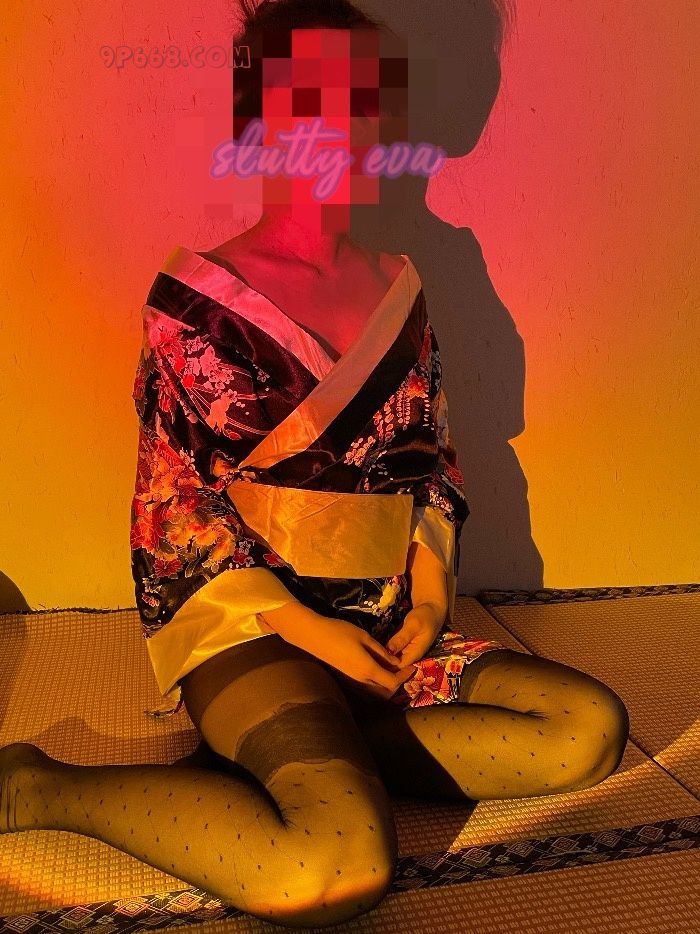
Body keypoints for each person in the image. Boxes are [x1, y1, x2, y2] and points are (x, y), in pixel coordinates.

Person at [0, 1, 630, 928]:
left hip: (381, 616)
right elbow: (175, 511)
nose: (344, 124)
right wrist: (307, 629)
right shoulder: (196, 305)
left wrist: (428, 598)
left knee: (590, 731)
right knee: (329, 867)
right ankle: (41, 787)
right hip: (254, 624)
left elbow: (434, 465)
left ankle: (316, 754)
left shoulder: (403, 284)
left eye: (366, 99)